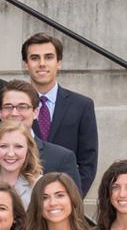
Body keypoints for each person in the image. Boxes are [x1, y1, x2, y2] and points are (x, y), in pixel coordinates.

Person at [22, 32, 100, 192]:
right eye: (35, 58)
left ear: (59, 63)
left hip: (64, 198)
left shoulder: (82, 105)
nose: (42, 64)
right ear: (26, 64)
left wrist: (72, 198)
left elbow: (88, 162)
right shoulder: (13, 107)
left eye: (48, 57)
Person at [0, 81, 82, 182]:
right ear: (0, 113)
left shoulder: (62, 158)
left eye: (22, 107)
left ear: (35, 112)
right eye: (8, 107)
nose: (14, 113)